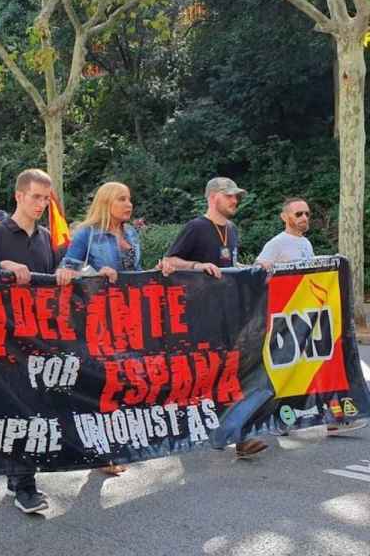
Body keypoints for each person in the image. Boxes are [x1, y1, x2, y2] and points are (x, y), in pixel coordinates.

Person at [159, 176, 269, 459]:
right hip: (197, 317)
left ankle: (240, 436)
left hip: (227, 318)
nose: (235, 200)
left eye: (236, 196)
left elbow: (229, 266)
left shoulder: (231, 229)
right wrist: (197, 265)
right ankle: (183, 431)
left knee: (234, 376)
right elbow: (169, 263)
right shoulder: (196, 227)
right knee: (198, 380)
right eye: (229, 195)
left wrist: (255, 268)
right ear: (212, 197)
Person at [0, 168, 60, 514]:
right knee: (19, 410)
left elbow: (50, 282)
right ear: (19, 196)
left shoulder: (45, 237)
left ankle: (17, 477)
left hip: (37, 336)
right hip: (2, 338)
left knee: (33, 409)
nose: (41, 204)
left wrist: (68, 275)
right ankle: (25, 485)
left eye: (45, 199)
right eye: (36, 197)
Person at [256, 198, 368, 436]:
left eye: (306, 213)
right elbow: (259, 272)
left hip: (310, 320)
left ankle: (325, 418)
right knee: (287, 372)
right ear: (285, 217)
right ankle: (280, 420)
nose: (304, 218)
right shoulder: (277, 243)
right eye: (298, 214)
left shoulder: (305, 242)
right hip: (287, 323)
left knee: (315, 369)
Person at [55, 181, 141, 476]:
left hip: (127, 317)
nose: (129, 204)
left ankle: (116, 445)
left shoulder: (131, 232)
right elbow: (66, 272)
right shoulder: (86, 234)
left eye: (129, 199)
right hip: (98, 319)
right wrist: (95, 273)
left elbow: (135, 275)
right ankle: (101, 451)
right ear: (106, 202)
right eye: (122, 199)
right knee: (103, 385)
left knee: (124, 382)